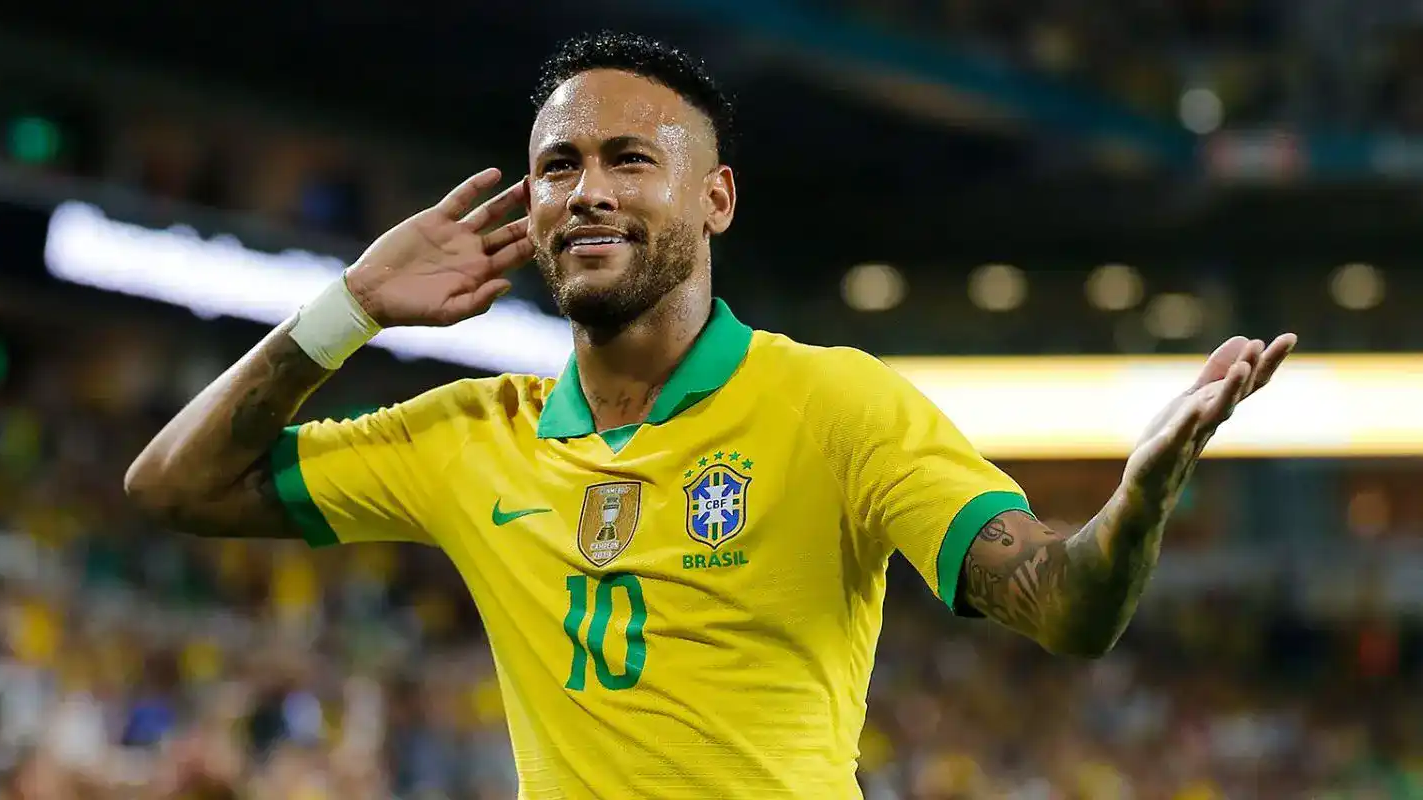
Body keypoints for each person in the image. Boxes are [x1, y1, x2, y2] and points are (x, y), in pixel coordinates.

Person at [124, 30, 1297, 799]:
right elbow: (172, 486)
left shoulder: (836, 404)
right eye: (558, 164)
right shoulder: (467, 433)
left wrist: (1134, 505)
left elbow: (1065, 603)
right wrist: (347, 309)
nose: (586, 188)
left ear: (715, 195)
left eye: (631, 158)